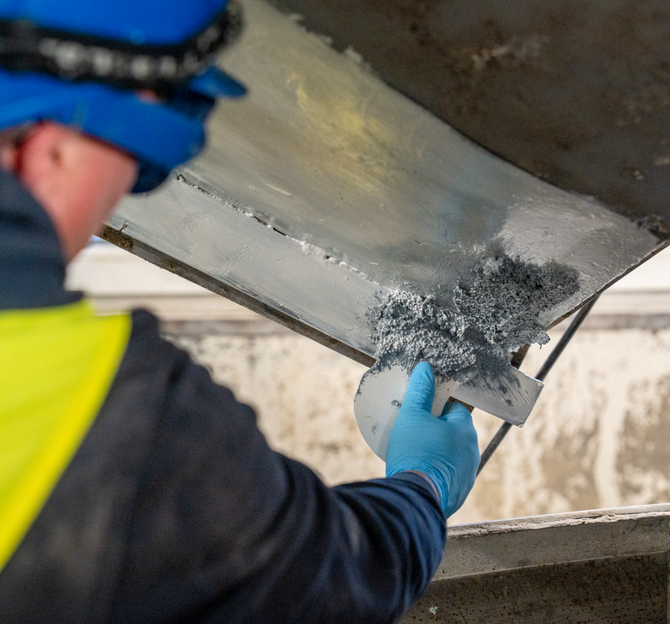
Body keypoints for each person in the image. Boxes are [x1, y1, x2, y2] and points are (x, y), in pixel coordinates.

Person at [0, 0, 480, 621]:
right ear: (52, 150)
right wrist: (424, 483)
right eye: (138, 163)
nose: (121, 195)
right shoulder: (116, 424)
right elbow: (333, 577)